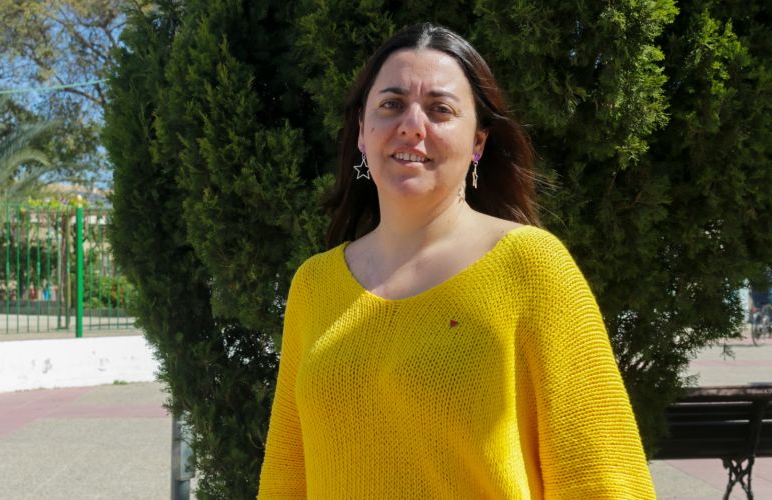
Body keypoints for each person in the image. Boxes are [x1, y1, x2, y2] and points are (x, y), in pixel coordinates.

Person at [258, 23, 655, 499]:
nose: (412, 125)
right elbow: (285, 479)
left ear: (478, 143)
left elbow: (604, 480)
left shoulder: (532, 267)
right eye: (391, 104)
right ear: (362, 131)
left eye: (440, 109)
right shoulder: (315, 284)